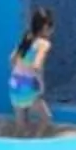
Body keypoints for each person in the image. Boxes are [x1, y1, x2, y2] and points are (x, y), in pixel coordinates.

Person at [7, 8, 56, 137]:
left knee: (21, 125)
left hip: (14, 83)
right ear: (46, 27)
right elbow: (36, 66)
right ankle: (34, 144)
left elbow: (12, 59)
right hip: (28, 85)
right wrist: (40, 85)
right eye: (51, 26)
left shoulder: (27, 37)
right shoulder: (44, 44)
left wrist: (20, 74)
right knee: (46, 118)